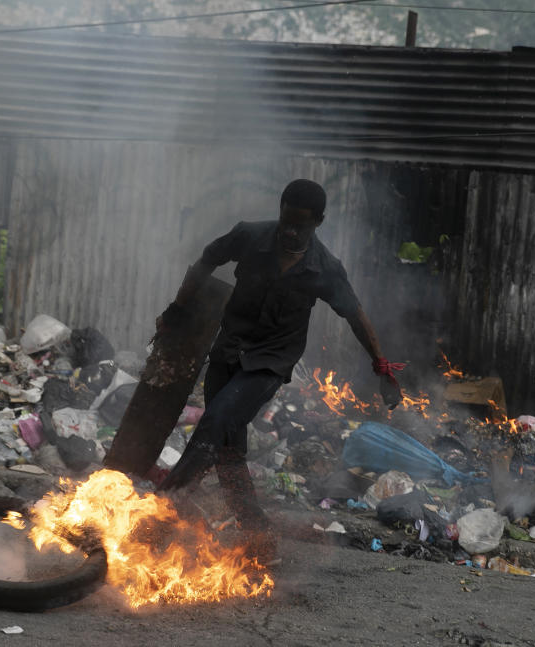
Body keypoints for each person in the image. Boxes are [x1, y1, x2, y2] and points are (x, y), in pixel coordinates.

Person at [155, 179, 403, 560]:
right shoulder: (249, 237)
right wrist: (178, 308)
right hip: (228, 352)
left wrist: (382, 367)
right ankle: (260, 538)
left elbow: (355, 315)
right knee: (228, 455)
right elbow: (207, 258)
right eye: (286, 221)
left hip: (269, 363)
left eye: (299, 225)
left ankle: (164, 505)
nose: (290, 231)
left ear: (317, 222)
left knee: (217, 419)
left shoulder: (325, 269)